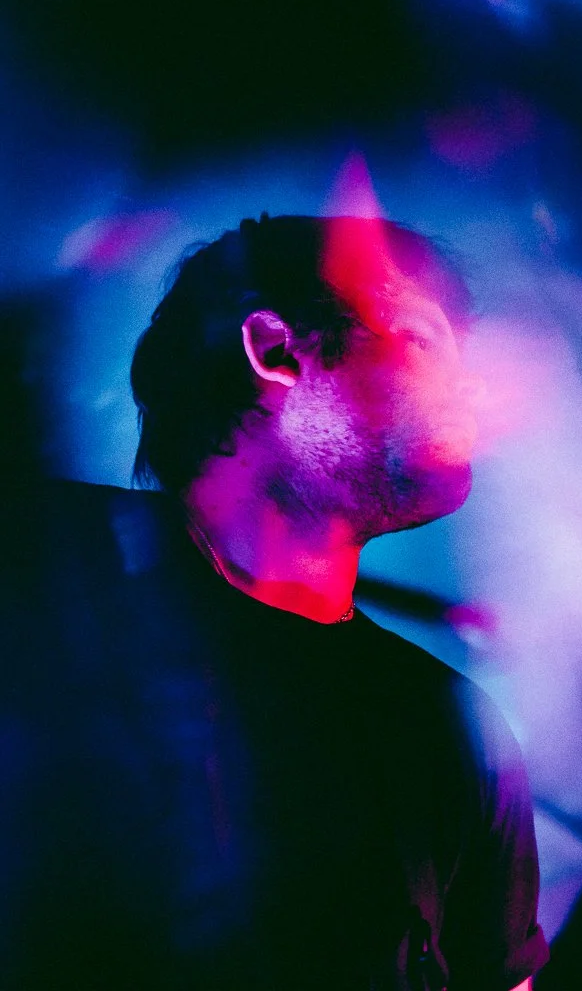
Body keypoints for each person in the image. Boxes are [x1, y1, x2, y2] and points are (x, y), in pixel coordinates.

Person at [1, 214, 549, 989]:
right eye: (421, 338)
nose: (470, 387)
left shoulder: (448, 727)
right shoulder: (42, 570)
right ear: (277, 348)